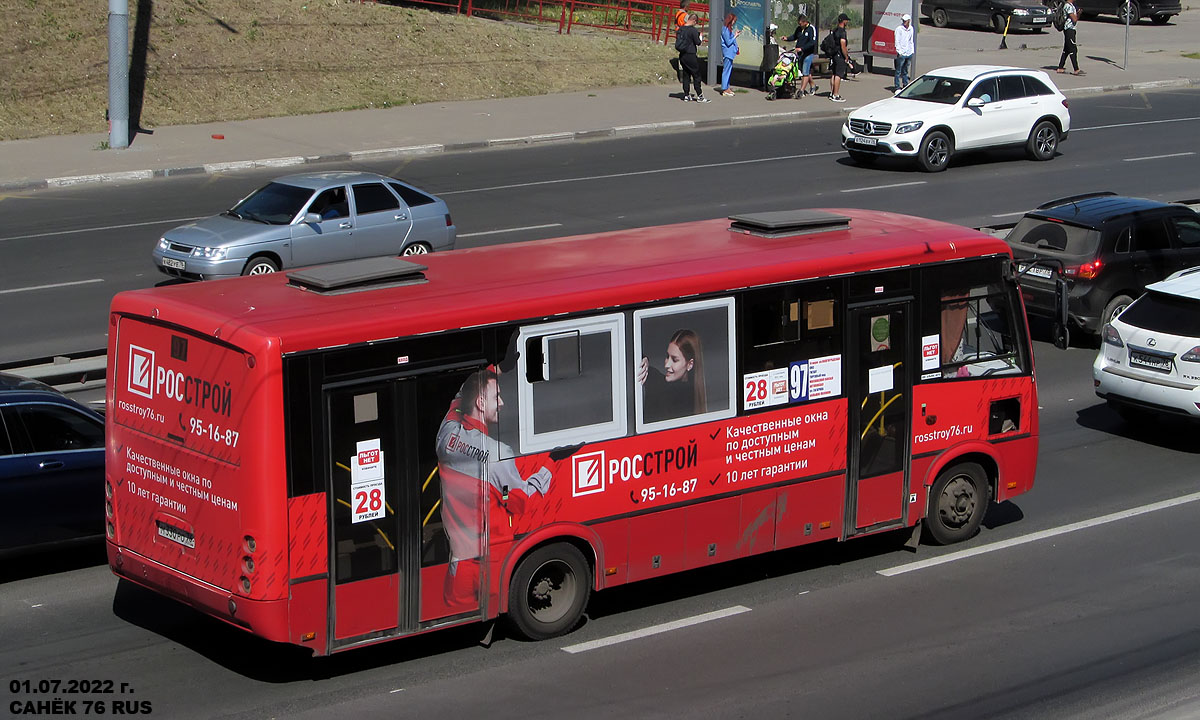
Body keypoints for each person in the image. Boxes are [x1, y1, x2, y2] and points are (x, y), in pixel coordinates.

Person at [435, 368, 552, 610]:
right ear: (480, 403)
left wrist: (489, 370)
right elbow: (521, 503)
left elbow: (457, 403)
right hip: (493, 564)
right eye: (496, 396)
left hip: (458, 567)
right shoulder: (499, 453)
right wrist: (551, 465)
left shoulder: (446, 436)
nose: (502, 403)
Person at [637, 329, 707, 422]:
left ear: (690, 364)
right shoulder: (658, 382)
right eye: (667, 357)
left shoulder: (686, 403)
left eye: (674, 360)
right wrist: (643, 359)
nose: (667, 365)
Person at [782, 14, 819, 97]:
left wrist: (802, 48)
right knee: (804, 71)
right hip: (800, 54)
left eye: (801, 23)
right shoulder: (799, 29)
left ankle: (801, 90)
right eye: (799, 23)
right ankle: (813, 85)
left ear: (805, 22)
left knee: (805, 72)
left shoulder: (811, 29)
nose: (799, 25)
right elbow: (795, 36)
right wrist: (787, 38)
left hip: (808, 54)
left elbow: (812, 42)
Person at [676, 14, 710, 102]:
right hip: (691, 54)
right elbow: (698, 42)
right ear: (694, 21)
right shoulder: (693, 30)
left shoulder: (681, 29)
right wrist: (700, 37)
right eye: (696, 22)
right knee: (696, 75)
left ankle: (686, 95)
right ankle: (700, 96)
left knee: (686, 74)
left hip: (682, 55)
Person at [1056, 1, 1084, 75]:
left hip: (1071, 29)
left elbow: (1075, 19)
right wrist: (1078, 13)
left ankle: (1060, 67)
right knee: (1073, 49)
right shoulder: (1068, 6)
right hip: (1069, 29)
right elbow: (1074, 19)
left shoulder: (1071, 5)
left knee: (1067, 49)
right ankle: (1076, 69)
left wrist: (1078, 13)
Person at [830, 13, 851, 102]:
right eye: (846, 20)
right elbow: (843, 45)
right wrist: (846, 56)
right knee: (838, 75)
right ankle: (836, 94)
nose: (847, 22)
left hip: (834, 54)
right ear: (844, 21)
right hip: (839, 55)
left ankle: (832, 93)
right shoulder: (842, 32)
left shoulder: (835, 30)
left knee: (834, 74)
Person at [719, 14, 740, 97]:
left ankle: (727, 87)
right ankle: (725, 88)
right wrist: (735, 36)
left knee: (728, 70)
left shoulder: (728, 29)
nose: (734, 23)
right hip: (727, 53)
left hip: (730, 53)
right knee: (726, 71)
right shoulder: (725, 30)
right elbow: (728, 42)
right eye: (734, 21)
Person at [894, 13, 915, 92]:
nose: (904, 22)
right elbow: (897, 41)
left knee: (905, 71)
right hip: (902, 53)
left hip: (908, 53)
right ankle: (897, 87)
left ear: (909, 21)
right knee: (898, 71)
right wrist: (899, 52)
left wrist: (912, 51)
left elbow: (911, 41)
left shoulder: (911, 29)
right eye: (903, 20)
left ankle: (905, 85)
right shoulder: (899, 29)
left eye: (905, 21)